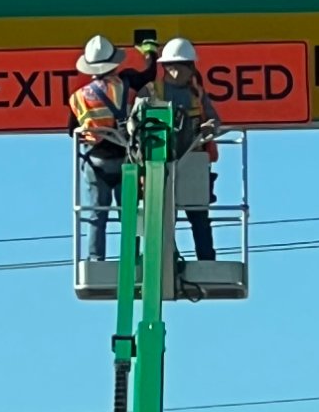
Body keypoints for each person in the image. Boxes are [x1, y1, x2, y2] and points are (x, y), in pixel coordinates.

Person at [68, 33, 157, 258]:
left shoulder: (79, 97)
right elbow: (151, 74)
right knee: (129, 214)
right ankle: (131, 256)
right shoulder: (126, 82)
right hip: (125, 159)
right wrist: (149, 52)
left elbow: (72, 131)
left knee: (97, 215)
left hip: (95, 161)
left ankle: (96, 259)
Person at [150, 37, 222, 260]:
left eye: (181, 66)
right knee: (162, 218)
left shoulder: (197, 93)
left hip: (193, 162)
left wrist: (210, 127)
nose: (176, 71)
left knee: (199, 216)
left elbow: (214, 119)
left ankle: (206, 259)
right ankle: (164, 259)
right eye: (171, 67)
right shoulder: (152, 92)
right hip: (160, 163)